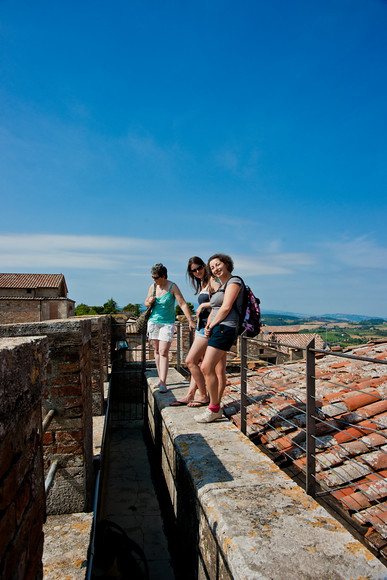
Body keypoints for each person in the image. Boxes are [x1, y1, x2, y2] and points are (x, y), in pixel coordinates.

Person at [194, 254, 244, 423]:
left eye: (218, 264)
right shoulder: (222, 285)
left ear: (226, 263)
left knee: (207, 367)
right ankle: (215, 406)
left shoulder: (234, 282)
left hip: (226, 328)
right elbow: (215, 308)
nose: (215, 269)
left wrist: (212, 325)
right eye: (212, 267)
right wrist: (209, 325)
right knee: (213, 369)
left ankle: (214, 408)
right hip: (217, 328)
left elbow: (225, 308)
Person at [170, 257, 222, 407]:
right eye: (193, 270)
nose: (197, 271)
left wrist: (204, 305)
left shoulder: (213, 280)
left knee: (190, 361)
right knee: (197, 362)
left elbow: (222, 300)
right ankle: (190, 394)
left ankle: (203, 396)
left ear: (204, 266)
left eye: (199, 267)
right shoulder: (203, 283)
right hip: (201, 326)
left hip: (208, 327)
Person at [145, 263, 196, 393]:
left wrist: (190, 319)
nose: (154, 280)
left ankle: (163, 381)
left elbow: (182, 303)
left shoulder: (172, 287)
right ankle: (160, 379)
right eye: (152, 277)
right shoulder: (153, 287)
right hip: (153, 322)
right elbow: (145, 303)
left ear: (163, 276)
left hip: (167, 323)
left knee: (163, 351)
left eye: (156, 277)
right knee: (156, 350)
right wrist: (149, 301)